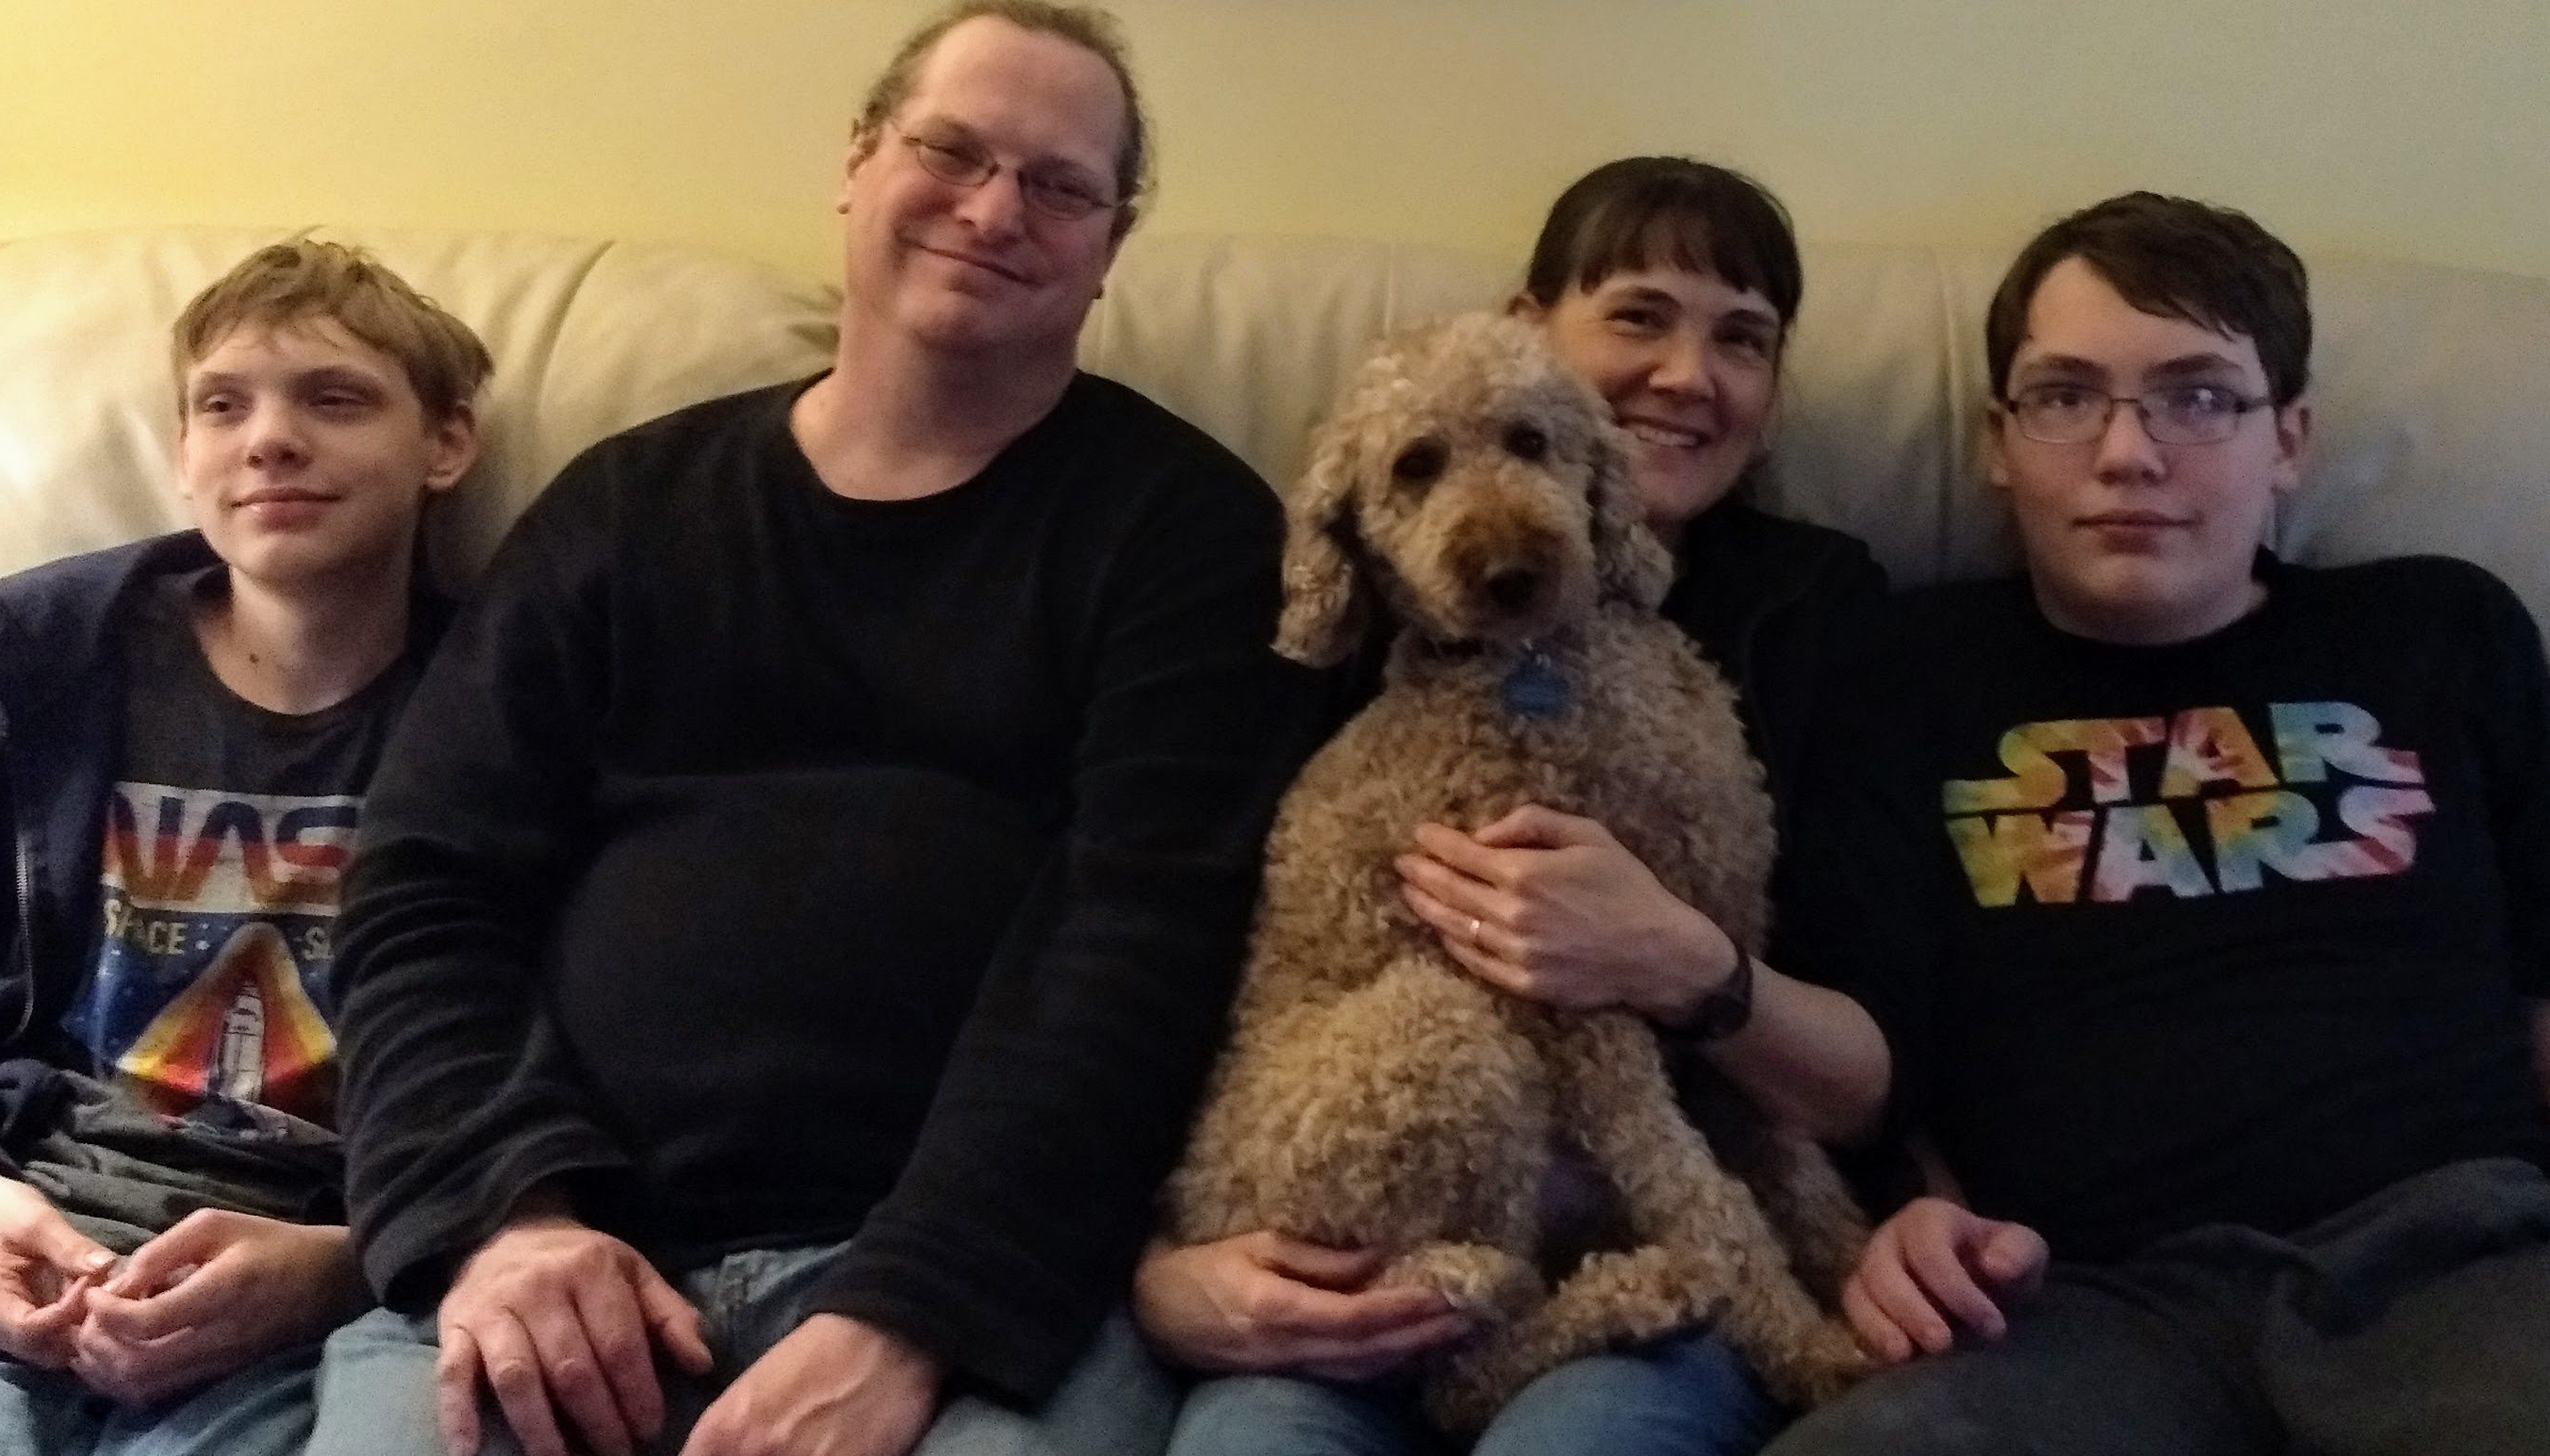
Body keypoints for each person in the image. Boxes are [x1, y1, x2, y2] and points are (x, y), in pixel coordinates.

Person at [300, 6, 1314, 1456]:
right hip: (567, 1250)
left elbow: (1143, 951)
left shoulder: (1190, 536)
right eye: (949, 150)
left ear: (1110, 244)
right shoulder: (621, 507)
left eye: (1059, 184)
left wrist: (912, 1310)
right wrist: (507, 1220)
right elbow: (421, 888)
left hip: (968, 1288)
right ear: (857, 162)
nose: (991, 209)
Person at [1763, 191, 2550, 1455]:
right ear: (1996, 440)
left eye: (2196, 396)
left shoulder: (2438, 630)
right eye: (2065, 395)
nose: (2127, 453)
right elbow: (1865, 1049)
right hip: (2082, 1305)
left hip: (2456, 1261)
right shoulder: (1897, 676)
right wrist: (1897, 1219)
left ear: (2287, 437)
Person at [1136, 156, 1891, 1456]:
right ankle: (1503, 1348)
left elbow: (1873, 1065)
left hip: (1653, 1223)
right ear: (1528, 328)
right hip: (1359, 1220)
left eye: (1740, 338)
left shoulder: (1809, 612)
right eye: (1638, 315)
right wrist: (1156, 1272)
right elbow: (1153, 954)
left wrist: (1680, 966)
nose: (1687, 374)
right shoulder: (1352, 664)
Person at [0, 240, 486, 1456]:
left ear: (448, 443)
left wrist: (347, 1268)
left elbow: (578, 1073)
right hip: (14, 1239)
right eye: (222, 405)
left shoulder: (509, 716)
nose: (269, 438)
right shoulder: (37, 673)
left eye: (334, 398)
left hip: (333, 1286)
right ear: (183, 456)